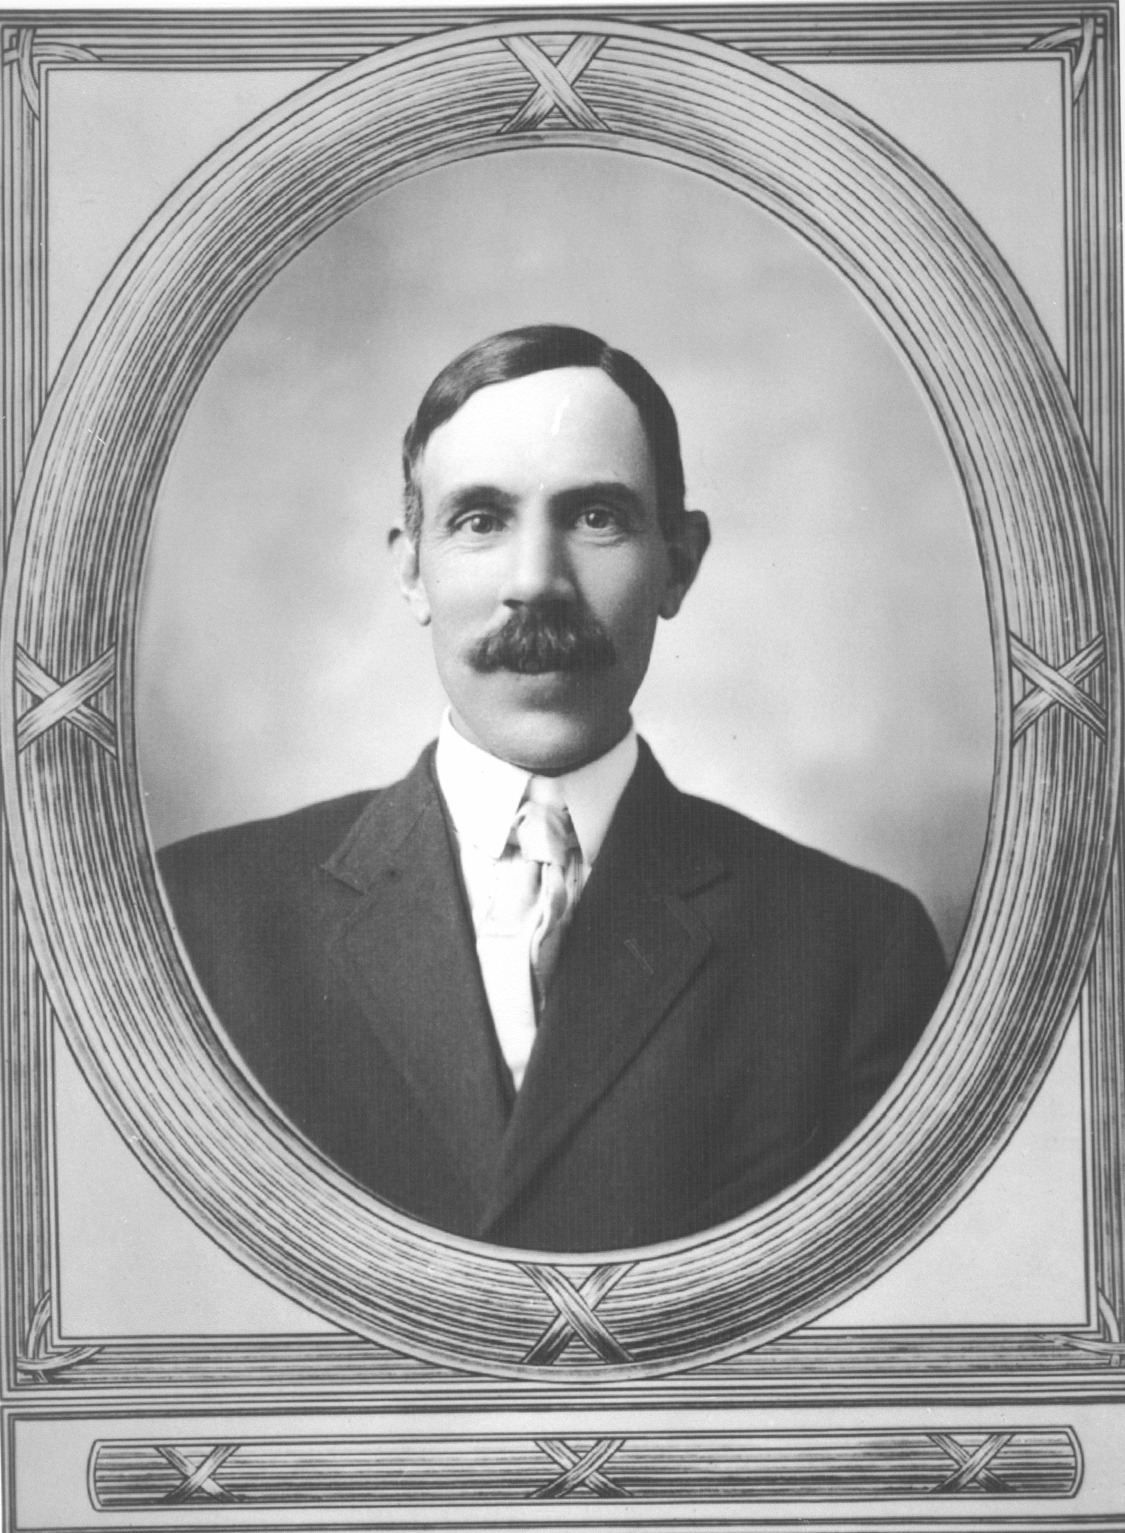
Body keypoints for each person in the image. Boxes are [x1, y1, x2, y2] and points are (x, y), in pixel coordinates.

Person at [159, 324, 946, 1253]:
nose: (537, 582)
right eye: (480, 520)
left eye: (596, 517)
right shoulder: (191, 918)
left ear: (678, 563)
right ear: (411, 570)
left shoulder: (858, 950)